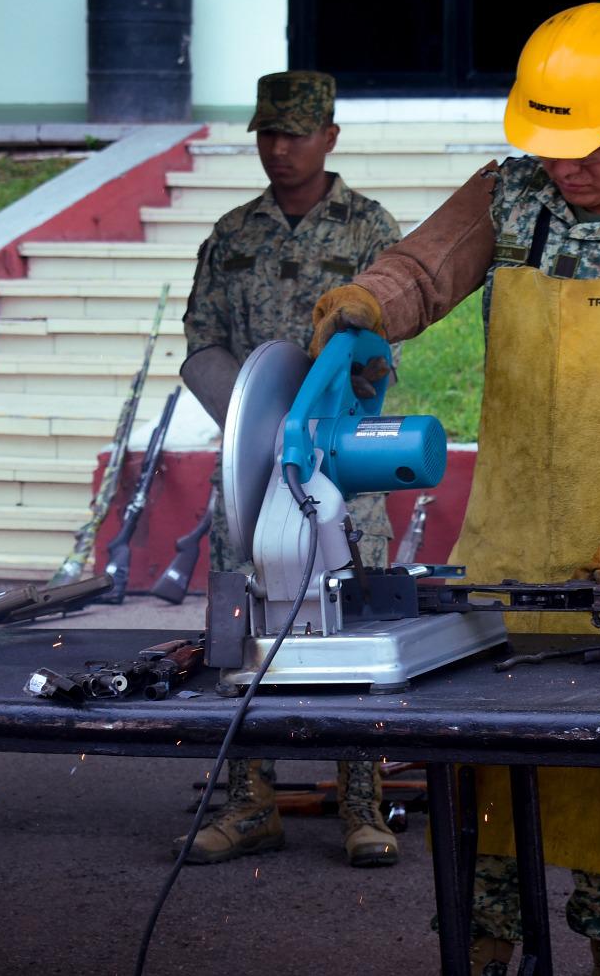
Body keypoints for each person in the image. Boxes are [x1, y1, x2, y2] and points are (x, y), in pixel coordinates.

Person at [309, 4, 600, 976]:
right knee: (484, 851)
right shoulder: (510, 198)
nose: (563, 165)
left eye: (586, 145)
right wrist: (364, 307)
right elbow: (420, 271)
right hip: (505, 585)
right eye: (547, 143)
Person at [175, 70, 404, 869]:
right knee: (244, 632)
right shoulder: (232, 235)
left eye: (295, 134)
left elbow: (381, 355)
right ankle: (249, 804)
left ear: (330, 137)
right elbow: (201, 345)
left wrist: (321, 410)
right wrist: (251, 422)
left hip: (341, 464)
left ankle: (363, 806)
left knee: (353, 623)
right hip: (251, 471)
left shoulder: (372, 231)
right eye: (267, 134)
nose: (279, 148)